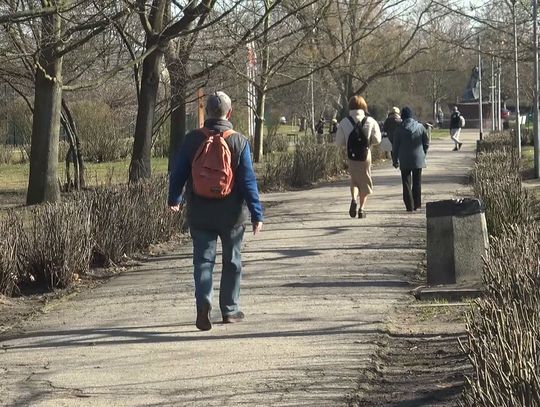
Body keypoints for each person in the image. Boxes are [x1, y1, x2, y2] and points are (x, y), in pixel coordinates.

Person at [168, 91, 264, 331]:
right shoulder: (238, 141)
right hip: (232, 215)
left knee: (203, 261)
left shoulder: (192, 139)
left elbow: (178, 173)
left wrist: (174, 199)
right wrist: (256, 213)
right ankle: (230, 310)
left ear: (207, 113)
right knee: (232, 261)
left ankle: (204, 302)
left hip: (200, 211)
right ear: (228, 113)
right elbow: (248, 181)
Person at [335, 95, 381, 218]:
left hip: (351, 155)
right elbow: (377, 139)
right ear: (363, 106)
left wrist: (347, 145)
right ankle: (361, 209)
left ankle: (354, 199)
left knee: (354, 180)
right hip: (365, 155)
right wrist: (369, 141)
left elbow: (339, 142)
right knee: (365, 181)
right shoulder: (370, 121)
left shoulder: (344, 122)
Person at [392, 107, 429, 212]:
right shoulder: (420, 127)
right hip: (418, 158)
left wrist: (395, 160)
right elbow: (426, 142)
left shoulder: (399, 130)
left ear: (402, 117)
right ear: (411, 115)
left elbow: (395, 147)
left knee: (406, 183)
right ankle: (417, 203)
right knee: (417, 182)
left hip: (404, 159)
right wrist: (423, 154)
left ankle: (409, 205)